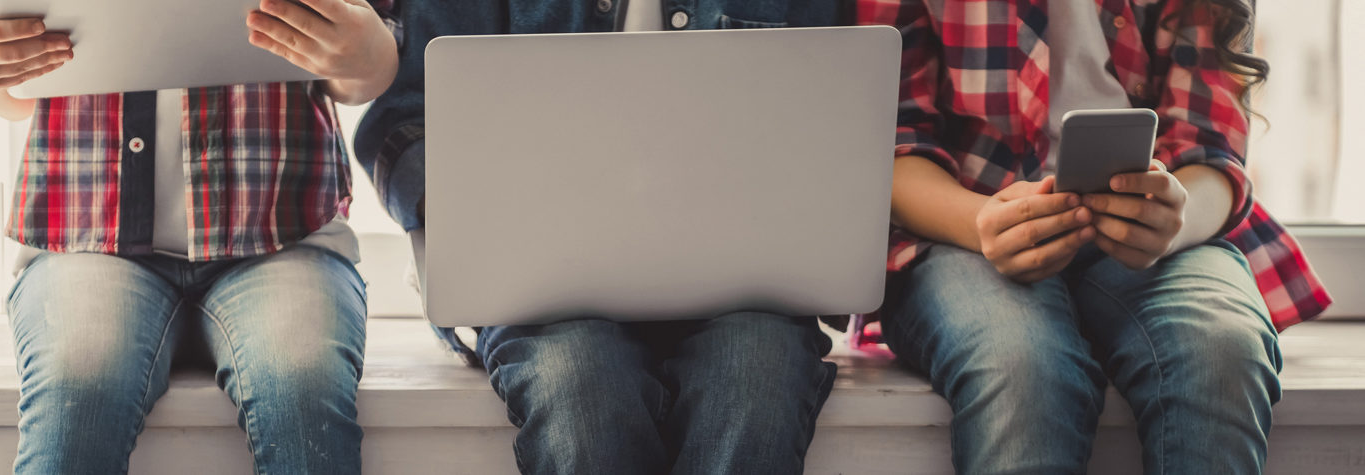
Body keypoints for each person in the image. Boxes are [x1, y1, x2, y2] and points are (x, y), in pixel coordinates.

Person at [0, 0, 398, 472]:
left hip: (283, 233)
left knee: (303, 389)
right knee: (77, 393)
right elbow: (13, 94)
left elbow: (367, 58)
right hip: (84, 235)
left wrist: (369, 55)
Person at [355, 1, 844, 473]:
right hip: (546, 287)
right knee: (582, 394)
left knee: (756, 379)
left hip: (745, 289)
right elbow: (403, 118)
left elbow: (831, 111)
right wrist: (475, 221)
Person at [853, 0, 1332, 472]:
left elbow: (1212, 150)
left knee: (1220, 352)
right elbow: (887, 141)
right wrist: (983, 222)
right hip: (960, 227)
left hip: (1158, 226)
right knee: (1020, 366)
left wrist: (1173, 222)